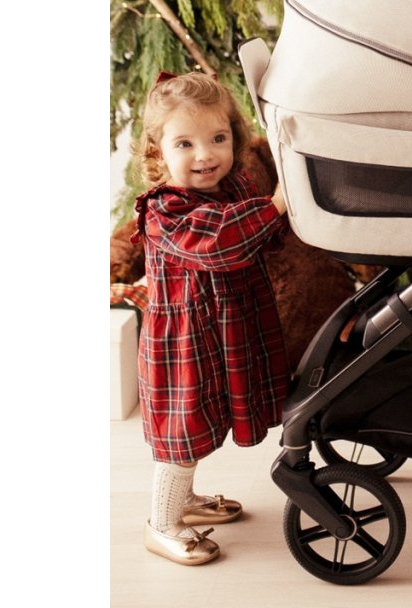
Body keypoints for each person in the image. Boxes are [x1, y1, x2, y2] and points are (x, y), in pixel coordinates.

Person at [130, 71, 291, 565]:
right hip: (184, 344)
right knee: (183, 437)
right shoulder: (164, 210)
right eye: (185, 143)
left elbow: (258, 238)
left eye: (218, 138)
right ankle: (162, 524)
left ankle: (186, 501)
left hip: (221, 333)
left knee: (204, 425)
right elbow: (219, 243)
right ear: (158, 152)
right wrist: (275, 205)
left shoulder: (232, 185)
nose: (205, 155)